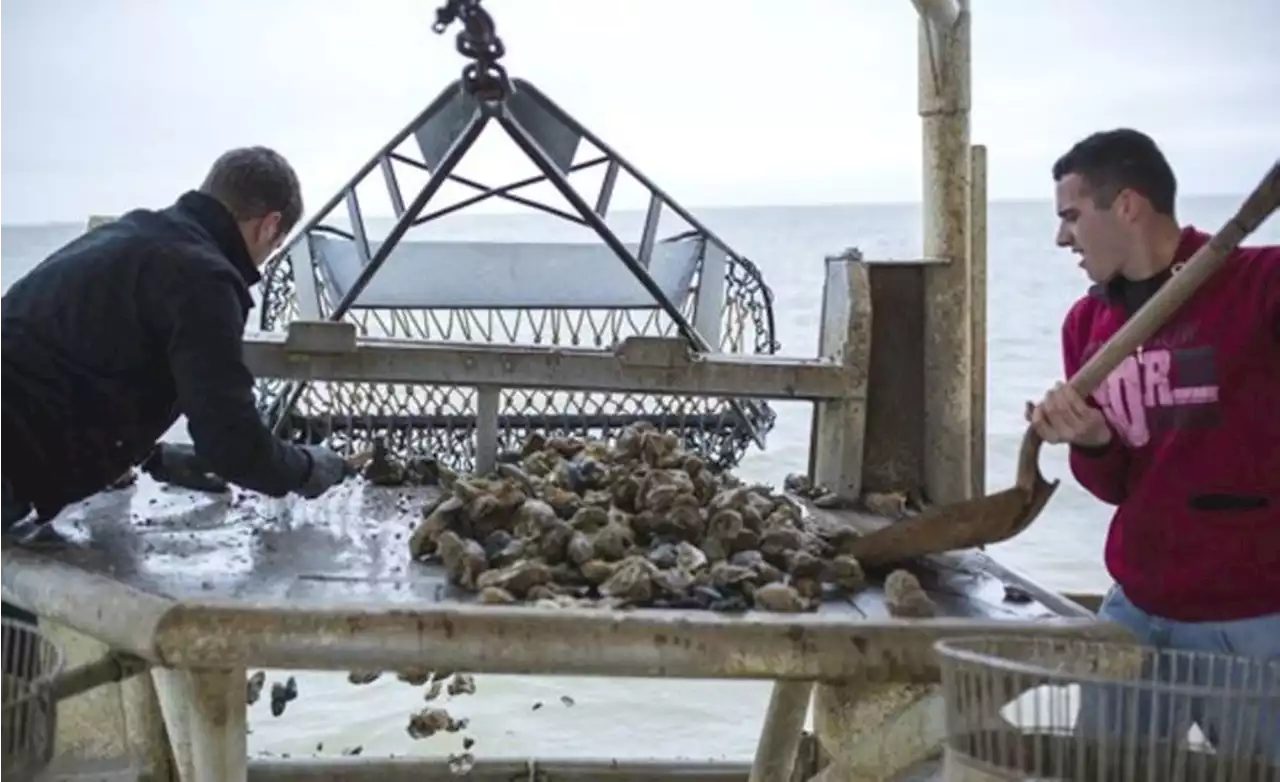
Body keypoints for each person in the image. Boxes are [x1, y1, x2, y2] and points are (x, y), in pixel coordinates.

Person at [0, 147, 353, 622]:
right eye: (274, 244)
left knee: (20, 658)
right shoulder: (202, 275)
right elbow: (234, 446)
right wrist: (310, 469)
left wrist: (152, 456)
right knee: (18, 665)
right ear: (269, 226)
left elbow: (74, 358)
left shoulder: (132, 236)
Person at [1028, 128, 1280, 758]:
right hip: (1135, 612)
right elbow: (1117, 484)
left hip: (1253, 619)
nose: (1062, 238)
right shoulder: (1087, 325)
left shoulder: (1259, 285)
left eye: (1071, 216)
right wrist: (1090, 440)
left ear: (1128, 206)